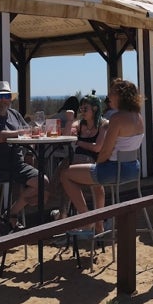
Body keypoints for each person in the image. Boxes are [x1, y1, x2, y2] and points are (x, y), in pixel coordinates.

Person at [60, 78, 144, 234]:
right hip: (132, 169)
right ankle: (97, 223)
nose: (109, 96)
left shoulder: (117, 118)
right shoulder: (138, 117)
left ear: (120, 96)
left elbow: (105, 151)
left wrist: (98, 164)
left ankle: (87, 219)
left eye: (112, 93)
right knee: (94, 180)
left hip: (113, 170)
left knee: (65, 174)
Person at [0, 80, 43, 238]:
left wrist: (31, 147)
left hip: (16, 165)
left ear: (10, 99)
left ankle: (11, 213)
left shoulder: (15, 115)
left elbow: (30, 134)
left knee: (42, 183)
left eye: (6, 96)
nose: (3, 99)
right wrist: (24, 131)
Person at [51, 92, 109, 220]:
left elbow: (97, 147)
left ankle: (66, 215)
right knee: (63, 174)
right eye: (81, 108)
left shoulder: (103, 124)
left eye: (85, 108)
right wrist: (70, 120)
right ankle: (68, 215)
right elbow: (66, 137)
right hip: (76, 161)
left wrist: (79, 142)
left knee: (64, 175)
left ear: (95, 108)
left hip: (94, 162)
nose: (82, 111)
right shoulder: (80, 123)